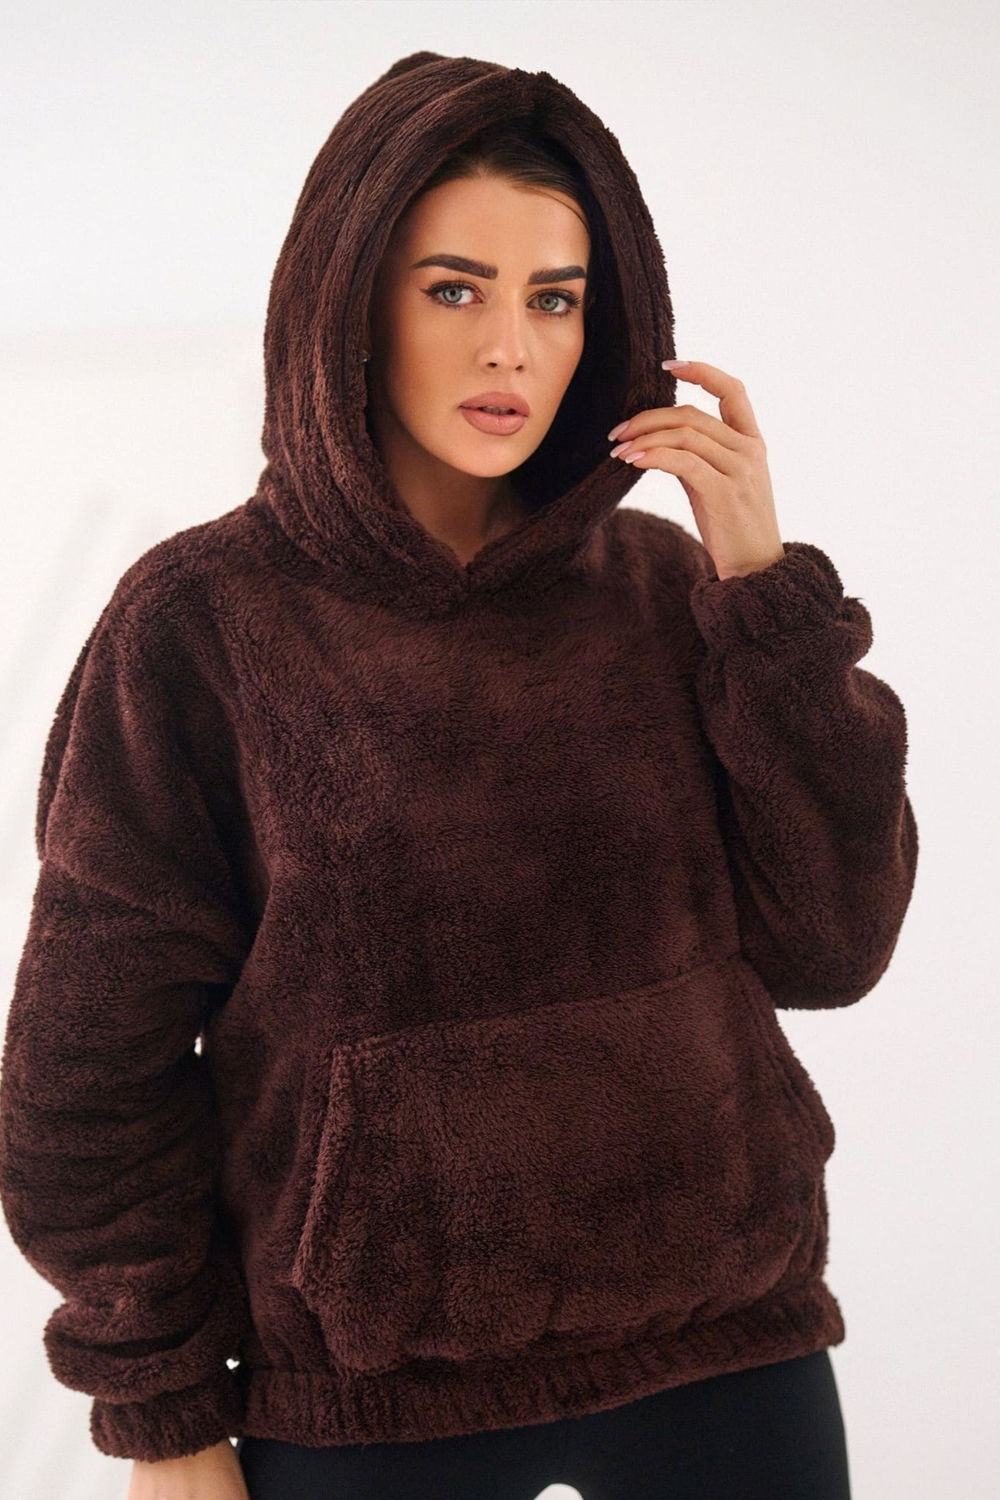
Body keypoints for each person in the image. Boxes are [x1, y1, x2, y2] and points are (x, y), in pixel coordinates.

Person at [0, 49, 918, 1500]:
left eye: (553, 298)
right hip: (370, 1409)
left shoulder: (669, 589)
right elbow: (84, 1070)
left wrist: (765, 599)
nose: (510, 349)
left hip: (729, 1358)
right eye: (454, 290)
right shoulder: (201, 625)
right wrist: (163, 1413)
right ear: (350, 304)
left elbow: (835, 944)